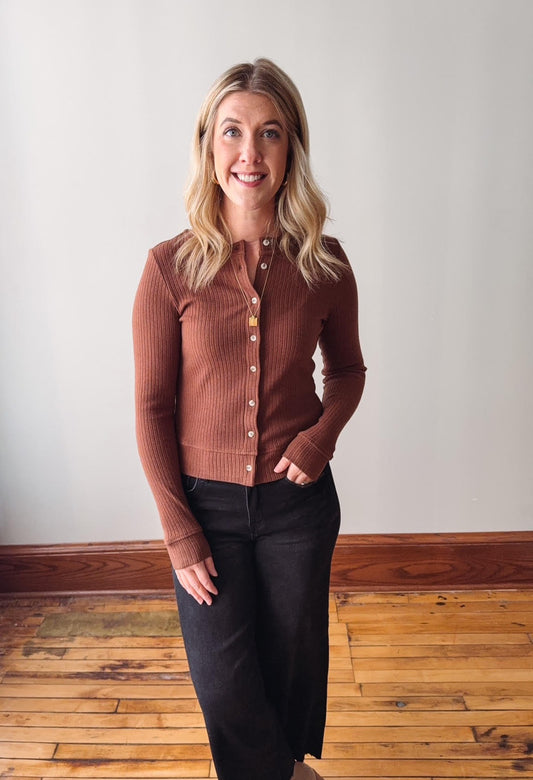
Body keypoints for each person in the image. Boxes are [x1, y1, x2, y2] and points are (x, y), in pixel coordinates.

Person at [133, 58, 366, 780]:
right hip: (206, 508)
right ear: (208, 145)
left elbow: (349, 373)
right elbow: (150, 407)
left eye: (269, 133)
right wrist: (178, 533)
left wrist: (320, 436)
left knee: (289, 667)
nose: (249, 153)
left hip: (298, 507)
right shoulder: (170, 267)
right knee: (224, 680)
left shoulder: (325, 264)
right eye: (231, 132)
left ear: (291, 146)